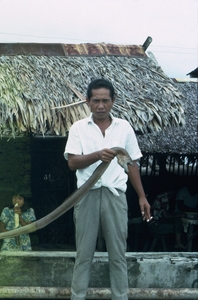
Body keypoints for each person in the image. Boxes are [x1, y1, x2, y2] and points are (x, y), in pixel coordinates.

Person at [64, 79, 151, 300]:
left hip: (115, 196)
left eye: (105, 100)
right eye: (96, 101)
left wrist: (142, 196)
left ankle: (120, 297)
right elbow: (72, 162)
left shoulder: (124, 127)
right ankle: (78, 297)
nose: (100, 106)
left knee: (118, 255)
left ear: (113, 101)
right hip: (86, 196)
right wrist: (97, 156)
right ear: (88, 102)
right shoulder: (79, 128)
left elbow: (131, 165)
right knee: (84, 254)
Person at [0, 186, 36, 251]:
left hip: (25, 246)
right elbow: (1, 229)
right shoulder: (7, 210)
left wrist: (20, 216)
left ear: (25, 200)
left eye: (20, 198)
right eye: (14, 198)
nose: (16, 200)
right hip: (9, 246)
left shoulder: (30, 211)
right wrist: (14, 234)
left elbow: (32, 229)